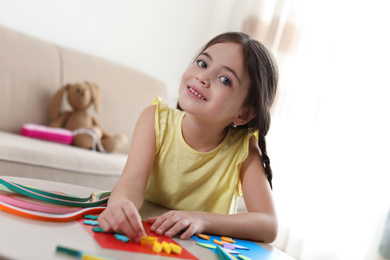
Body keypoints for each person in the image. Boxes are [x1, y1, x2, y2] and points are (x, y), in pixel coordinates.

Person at [98, 32, 279, 244]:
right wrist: (120, 204)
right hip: (145, 239)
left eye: (225, 80)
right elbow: (131, 184)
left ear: (244, 114)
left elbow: (268, 224)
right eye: (202, 63)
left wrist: (201, 219)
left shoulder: (244, 149)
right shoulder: (154, 119)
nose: (203, 77)